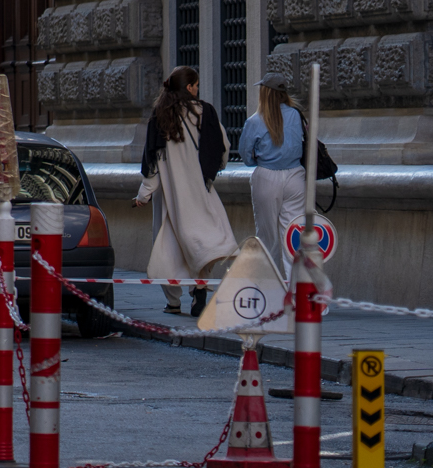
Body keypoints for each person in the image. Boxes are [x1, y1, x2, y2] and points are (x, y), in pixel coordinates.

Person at [132, 66, 238, 317]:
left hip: (169, 197)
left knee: (168, 245)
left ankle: (173, 301)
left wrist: (143, 195)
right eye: (197, 85)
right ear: (189, 88)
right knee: (199, 241)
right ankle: (199, 291)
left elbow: (152, 164)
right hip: (199, 189)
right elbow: (223, 146)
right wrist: (213, 171)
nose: (198, 90)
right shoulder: (206, 113)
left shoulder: (159, 117)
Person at [238, 71, 307, 279]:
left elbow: (245, 156)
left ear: (265, 94)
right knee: (295, 236)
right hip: (295, 176)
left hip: (267, 177)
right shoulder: (296, 115)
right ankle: (300, 291)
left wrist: (260, 159)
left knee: (268, 238)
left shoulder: (254, 121)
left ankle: (270, 290)